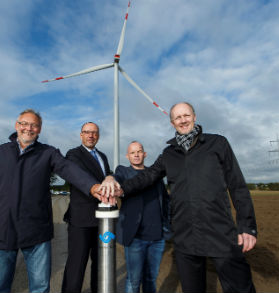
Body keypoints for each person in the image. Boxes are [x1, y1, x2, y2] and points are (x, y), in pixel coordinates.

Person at [110, 102, 258, 293]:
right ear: (172, 123)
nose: (183, 120)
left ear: (194, 117)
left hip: (220, 231)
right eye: (178, 117)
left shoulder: (217, 143)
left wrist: (247, 227)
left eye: (186, 115)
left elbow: (237, 185)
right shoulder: (169, 154)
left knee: (240, 287)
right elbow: (147, 176)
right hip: (185, 235)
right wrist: (121, 189)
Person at [0, 110, 111, 293]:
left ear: (39, 129)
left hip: (36, 232)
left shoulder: (48, 153)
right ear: (16, 125)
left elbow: (68, 169)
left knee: (40, 287)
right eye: (24, 124)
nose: (28, 128)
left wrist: (93, 187)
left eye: (34, 125)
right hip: (1, 231)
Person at [61, 122, 112, 293]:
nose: (91, 135)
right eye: (87, 132)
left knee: (100, 265)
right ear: (81, 135)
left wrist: (112, 177)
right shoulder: (73, 154)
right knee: (76, 266)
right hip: (81, 220)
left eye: (94, 132)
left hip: (102, 220)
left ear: (98, 135)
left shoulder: (103, 156)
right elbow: (80, 176)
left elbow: (107, 175)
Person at [114, 141, 171, 293]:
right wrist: (109, 179)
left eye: (139, 151)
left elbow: (166, 201)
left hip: (158, 237)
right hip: (135, 237)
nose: (137, 154)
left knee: (151, 279)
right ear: (127, 156)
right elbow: (115, 179)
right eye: (133, 152)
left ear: (145, 154)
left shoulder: (155, 173)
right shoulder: (123, 171)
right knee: (133, 280)